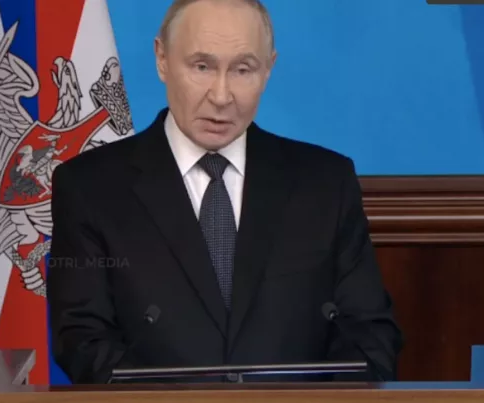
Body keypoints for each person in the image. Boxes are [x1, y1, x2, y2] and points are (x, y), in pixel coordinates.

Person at [47, 0, 402, 384]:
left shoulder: (326, 183)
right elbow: (83, 340)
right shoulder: (90, 188)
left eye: (242, 70)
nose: (221, 95)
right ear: (162, 59)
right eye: (202, 66)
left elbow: (367, 335)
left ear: (268, 69)